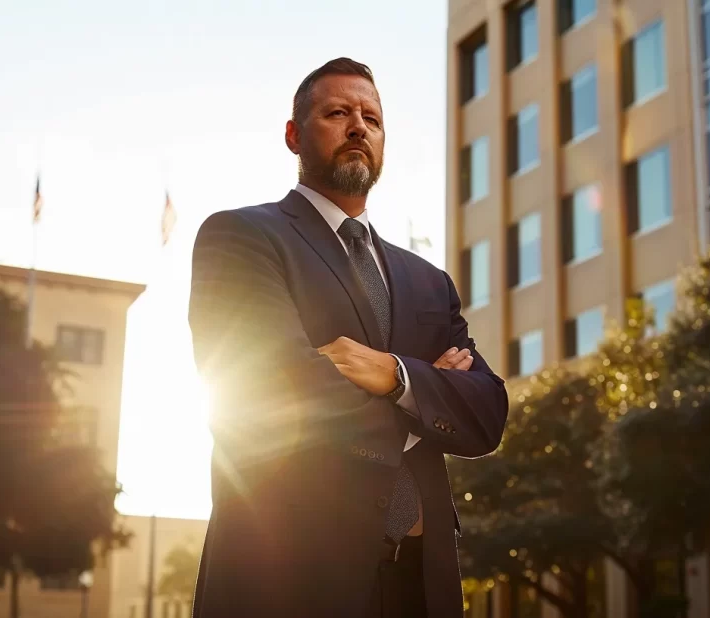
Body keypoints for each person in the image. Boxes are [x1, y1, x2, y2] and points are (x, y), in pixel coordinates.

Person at [187, 57, 509, 618]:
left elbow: (486, 416)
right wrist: (429, 396)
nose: (358, 126)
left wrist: (396, 375)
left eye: (372, 118)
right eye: (337, 112)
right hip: (288, 576)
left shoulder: (428, 282)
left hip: (420, 582)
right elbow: (267, 393)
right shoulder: (240, 237)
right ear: (294, 135)